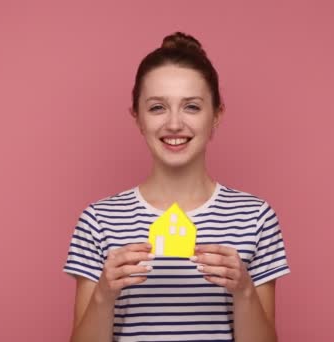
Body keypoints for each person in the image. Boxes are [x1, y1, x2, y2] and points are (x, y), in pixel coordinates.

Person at [63, 31, 290, 342]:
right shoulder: (98, 221)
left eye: (192, 107)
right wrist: (104, 292)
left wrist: (244, 290)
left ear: (216, 116)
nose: (173, 124)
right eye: (157, 107)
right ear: (137, 118)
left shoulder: (256, 218)